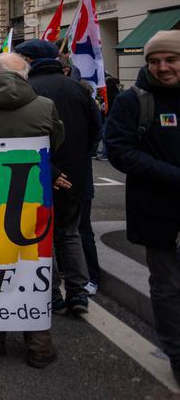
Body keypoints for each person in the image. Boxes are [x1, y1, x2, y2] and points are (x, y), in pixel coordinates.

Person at [0, 53, 66, 368]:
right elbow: (56, 141)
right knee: (34, 265)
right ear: (24, 76)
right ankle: (39, 346)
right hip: (33, 197)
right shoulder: (44, 106)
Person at [106, 30, 180, 385]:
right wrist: (171, 175)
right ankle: (177, 354)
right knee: (167, 286)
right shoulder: (133, 100)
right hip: (156, 209)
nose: (162, 67)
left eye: (170, 60)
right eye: (154, 61)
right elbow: (119, 151)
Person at [15, 39, 99, 315]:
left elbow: (22, 137)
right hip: (75, 176)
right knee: (69, 234)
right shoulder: (79, 88)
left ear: (29, 60)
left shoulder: (27, 89)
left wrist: (50, 170)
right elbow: (94, 135)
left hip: (39, 174)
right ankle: (78, 293)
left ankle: (51, 295)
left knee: (43, 238)